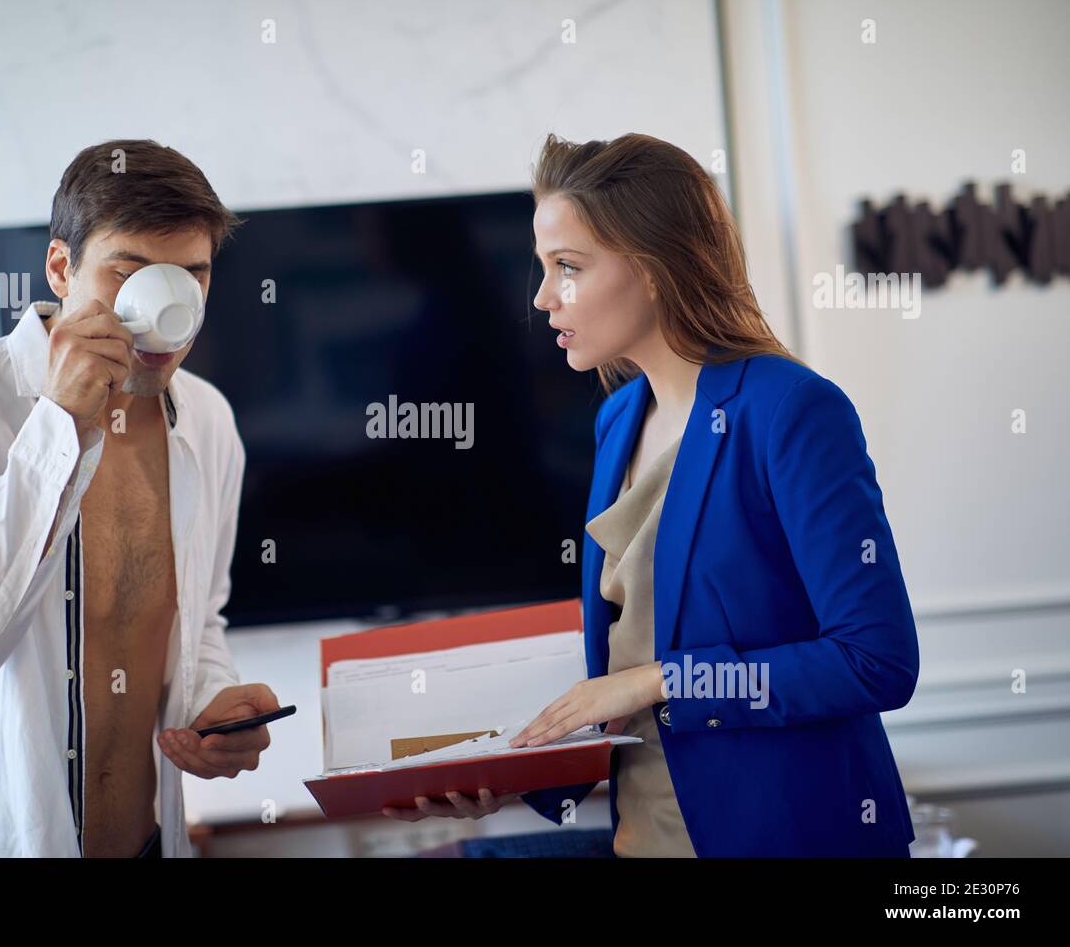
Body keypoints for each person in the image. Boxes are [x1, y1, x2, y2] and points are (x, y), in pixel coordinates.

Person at [383, 133, 919, 857]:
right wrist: (516, 768)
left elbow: (876, 660)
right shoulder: (617, 419)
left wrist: (661, 681)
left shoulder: (791, 410)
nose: (542, 298)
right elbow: (620, 662)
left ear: (657, 269)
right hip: (643, 838)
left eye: (568, 267)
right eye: (544, 269)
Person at [0, 139, 279, 857]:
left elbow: (195, 618)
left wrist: (211, 705)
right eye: (130, 272)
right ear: (61, 268)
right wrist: (56, 424)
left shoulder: (207, 419)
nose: (165, 309)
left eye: (191, 275)